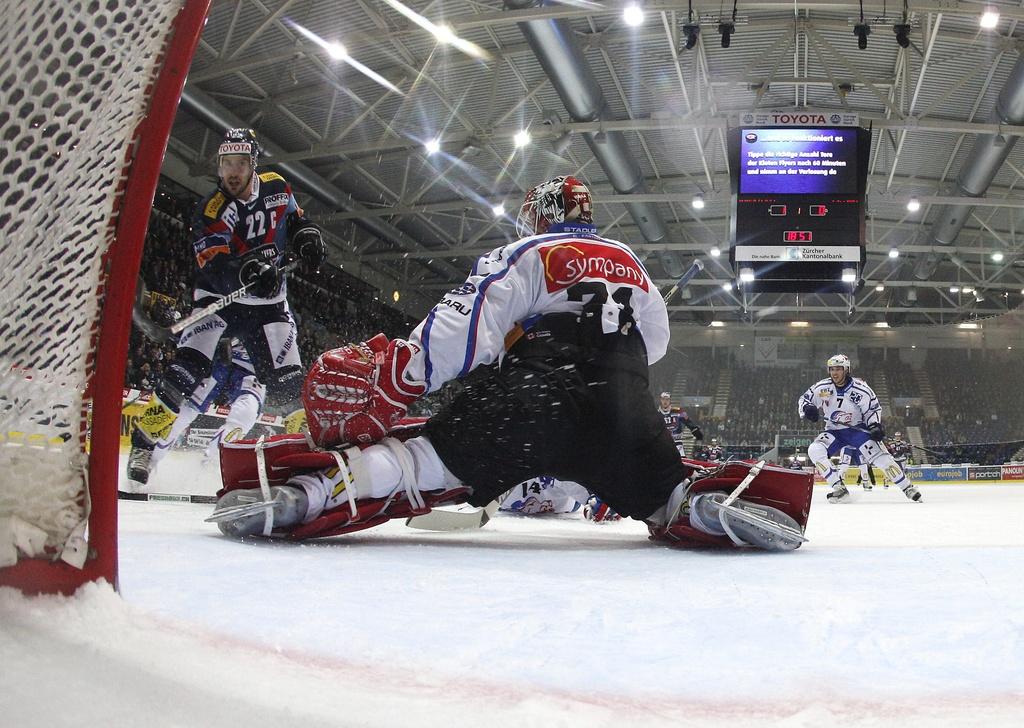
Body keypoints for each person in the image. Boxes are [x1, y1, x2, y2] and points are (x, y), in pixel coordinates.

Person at [209, 175, 812, 551]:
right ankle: (707, 510)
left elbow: (468, 328)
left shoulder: (534, 250)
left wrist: (403, 371)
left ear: (544, 215)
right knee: (661, 494)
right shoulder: (632, 262)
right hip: (626, 407)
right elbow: (654, 345)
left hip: (537, 395)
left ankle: (306, 497)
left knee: (420, 460)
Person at [126, 128, 326, 487]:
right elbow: (213, 265)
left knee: (288, 386)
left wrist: (307, 237)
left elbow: (296, 220)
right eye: (225, 164)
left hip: (269, 305)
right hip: (220, 301)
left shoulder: (277, 186)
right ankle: (144, 444)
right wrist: (247, 271)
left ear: (253, 165)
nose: (232, 172)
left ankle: (307, 457)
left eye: (239, 163)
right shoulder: (213, 209)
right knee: (184, 375)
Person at [124, 340, 267, 492]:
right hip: (219, 362)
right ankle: (147, 463)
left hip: (254, 372)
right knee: (183, 414)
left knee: (246, 413)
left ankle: (209, 470)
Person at [798, 354, 921, 503]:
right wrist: (808, 408)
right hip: (833, 431)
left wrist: (874, 425)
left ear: (847, 370)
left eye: (838, 369)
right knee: (814, 450)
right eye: (832, 369)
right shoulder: (822, 388)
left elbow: (872, 409)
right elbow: (804, 399)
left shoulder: (861, 388)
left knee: (881, 457)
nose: (835, 373)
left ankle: (907, 487)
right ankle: (839, 488)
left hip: (857, 430)